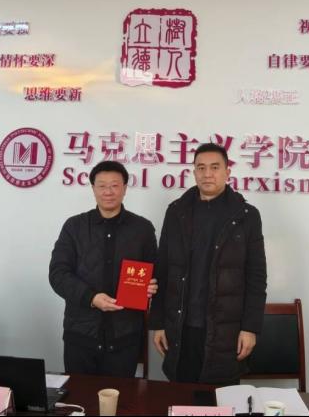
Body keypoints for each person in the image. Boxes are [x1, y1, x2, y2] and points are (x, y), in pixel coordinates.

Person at [150, 142, 267, 384]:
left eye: (215, 167)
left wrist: (250, 328)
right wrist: (159, 323)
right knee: (179, 394)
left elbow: (256, 276)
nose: (207, 174)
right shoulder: (176, 211)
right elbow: (163, 269)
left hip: (226, 329)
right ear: (194, 172)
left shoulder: (246, 215)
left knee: (221, 397)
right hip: (181, 327)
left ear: (227, 172)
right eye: (201, 168)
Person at [49, 160, 158, 377]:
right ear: (93, 189)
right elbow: (58, 274)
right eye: (102, 186)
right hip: (81, 335)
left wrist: (152, 286)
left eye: (115, 185)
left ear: (125, 188)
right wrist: (91, 297)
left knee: (120, 396)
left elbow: (154, 273)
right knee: (80, 395)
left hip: (125, 336)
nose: (108, 192)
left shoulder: (142, 229)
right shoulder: (74, 227)